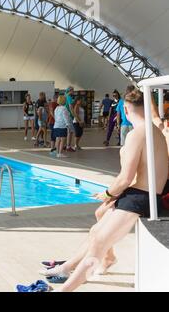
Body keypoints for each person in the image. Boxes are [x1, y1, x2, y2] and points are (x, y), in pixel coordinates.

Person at [41, 89, 169, 292]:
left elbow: (125, 178)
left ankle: (64, 288)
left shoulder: (137, 134)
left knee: (99, 241)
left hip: (141, 197)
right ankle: (77, 266)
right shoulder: (154, 129)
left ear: (125, 110)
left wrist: (108, 194)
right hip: (142, 192)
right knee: (96, 230)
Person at [64, 87, 76, 152]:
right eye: (73, 90)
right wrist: (75, 116)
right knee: (70, 131)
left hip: (66, 116)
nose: (73, 91)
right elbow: (71, 107)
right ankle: (68, 146)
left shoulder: (65, 96)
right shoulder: (69, 97)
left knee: (67, 131)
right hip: (69, 116)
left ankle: (65, 145)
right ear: (70, 91)